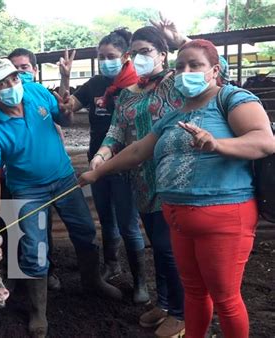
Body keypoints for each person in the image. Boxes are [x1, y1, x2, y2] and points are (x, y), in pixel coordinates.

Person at [79, 38, 274, 338]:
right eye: (181, 66)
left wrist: (217, 143)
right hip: (178, 218)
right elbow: (137, 151)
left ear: (214, 70)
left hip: (223, 215)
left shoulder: (232, 98)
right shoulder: (175, 113)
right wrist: (98, 172)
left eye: (195, 65)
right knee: (194, 293)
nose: (186, 71)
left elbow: (264, 141)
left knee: (226, 299)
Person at [0, 58, 122, 337]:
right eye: (2, 84)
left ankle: (92, 282)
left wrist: (66, 89)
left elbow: (64, 118)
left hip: (64, 177)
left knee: (85, 230)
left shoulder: (36, 92)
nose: (11, 86)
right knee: (34, 249)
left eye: (13, 79)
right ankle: (38, 311)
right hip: (28, 191)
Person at [92, 24, 186, 337]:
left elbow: (218, 70)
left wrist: (182, 39)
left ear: (163, 53)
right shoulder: (128, 95)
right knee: (158, 247)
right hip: (142, 180)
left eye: (146, 51)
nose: (139, 57)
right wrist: (102, 154)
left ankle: (182, 313)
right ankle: (165, 302)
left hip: (174, 176)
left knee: (168, 247)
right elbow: (116, 130)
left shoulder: (178, 83)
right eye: (135, 53)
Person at [0, 32, 63, 291]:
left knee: (48, 229)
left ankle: (47, 271)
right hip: (17, 182)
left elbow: (62, 115)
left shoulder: (36, 93)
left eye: (20, 72)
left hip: (56, 178)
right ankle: (16, 276)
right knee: (22, 230)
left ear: (31, 71)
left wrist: (65, 81)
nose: (14, 81)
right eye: (6, 79)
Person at [57, 28, 149, 303]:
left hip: (126, 164)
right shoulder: (96, 84)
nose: (105, 61)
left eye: (111, 56)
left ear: (125, 57)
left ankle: (140, 280)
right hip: (96, 161)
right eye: (101, 56)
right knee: (105, 218)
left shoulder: (137, 85)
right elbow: (67, 107)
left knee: (128, 224)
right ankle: (112, 263)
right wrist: (64, 77)